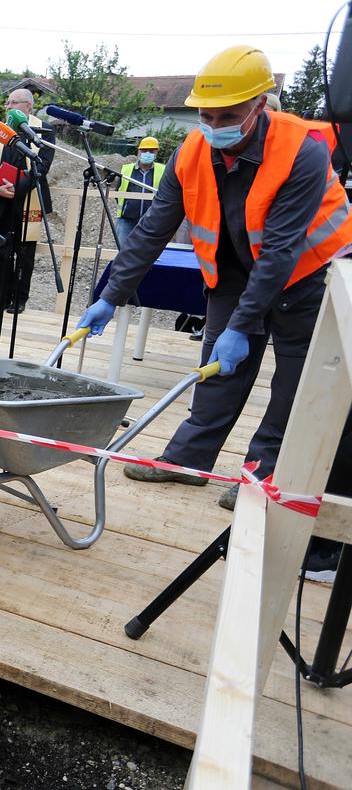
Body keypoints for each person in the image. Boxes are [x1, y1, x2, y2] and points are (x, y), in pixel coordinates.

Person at [78, 46, 352, 529]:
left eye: (229, 115)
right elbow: (151, 232)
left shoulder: (302, 152)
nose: (215, 124)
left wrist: (245, 324)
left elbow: (282, 248)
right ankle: (188, 460)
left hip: (308, 274)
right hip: (232, 272)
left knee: (292, 381)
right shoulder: (192, 149)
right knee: (217, 371)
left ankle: (261, 474)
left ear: (261, 106)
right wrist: (110, 295)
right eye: (206, 115)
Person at [0, 88, 54, 314]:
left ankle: (20, 298)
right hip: (3, 197)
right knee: (3, 248)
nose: (9, 107)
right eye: (8, 102)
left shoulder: (44, 131)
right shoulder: (0, 131)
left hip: (28, 196)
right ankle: (2, 294)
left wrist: (18, 189)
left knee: (24, 252)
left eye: (14, 103)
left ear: (28, 106)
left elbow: (41, 166)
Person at [114, 136, 164, 249]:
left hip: (151, 221)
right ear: (138, 151)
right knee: (124, 251)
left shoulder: (163, 171)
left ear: (156, 152)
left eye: (151, 151)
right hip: (127, 219)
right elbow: (118, 192)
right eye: (144, 150)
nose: (147, 153)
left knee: (147, 252)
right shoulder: (126, 170)